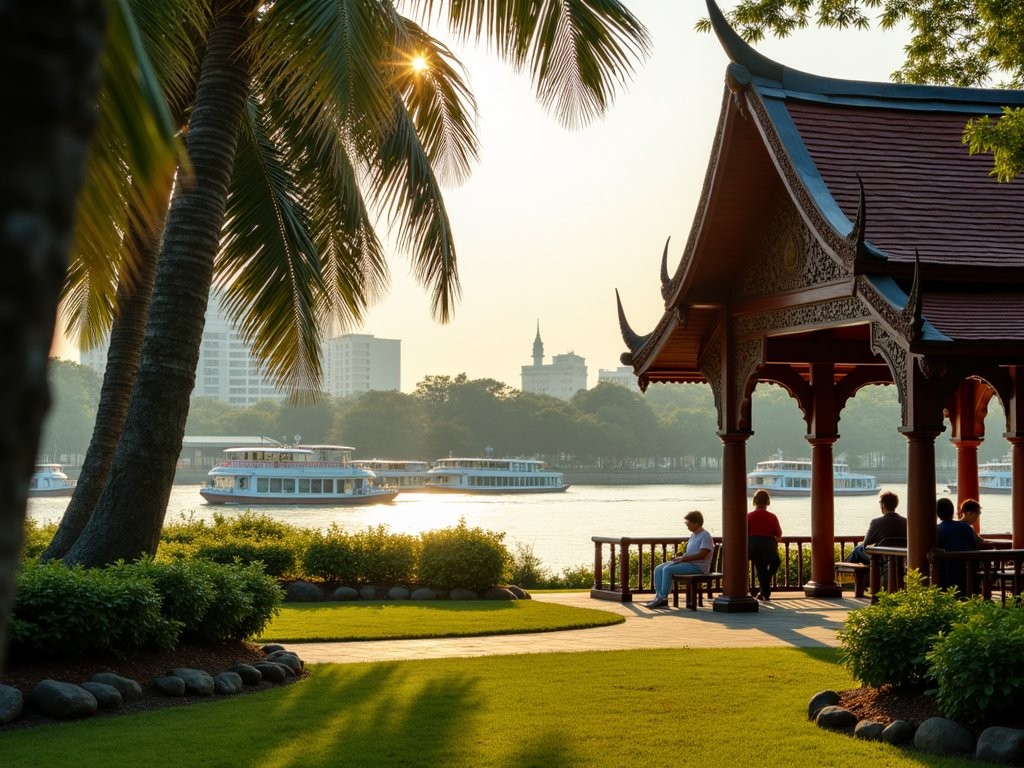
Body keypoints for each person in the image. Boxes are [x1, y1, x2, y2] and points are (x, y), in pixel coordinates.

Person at [645, 510, 714, 609]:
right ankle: (659, 597)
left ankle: (663, 598)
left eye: (688, 523)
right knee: (658, 569)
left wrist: (683, 559)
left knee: (668, 569)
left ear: (696, 523)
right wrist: (681, 557)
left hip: (698, 567)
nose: (687, 525)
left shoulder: (705, 536)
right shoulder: (694, 535)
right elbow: (692, 552)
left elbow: (702, 554)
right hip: (688, 563)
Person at [846, 490, 906, 565]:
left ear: (883, 505)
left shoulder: (876, 522)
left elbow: (866, 545)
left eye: (880, 503)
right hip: (900, 560)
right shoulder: (906, 522)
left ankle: (842, 571)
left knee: (858, 550)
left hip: (881, 560)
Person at [935, 496, 977, 595]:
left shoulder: (937, 530)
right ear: (952, 511)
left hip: (946, 572)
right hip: (967, 571)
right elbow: (974, 545)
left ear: (937, 514)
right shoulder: (965, 527)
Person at [748, 489, 782, 601]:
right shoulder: (772, 517)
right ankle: (765, 591)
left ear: (754, 501)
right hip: (768, 545)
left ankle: (763, 593)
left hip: (753, 545)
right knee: (775, 562)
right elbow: (779, 534)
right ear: (767, 502)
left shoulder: (748, 516)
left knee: (761, 568)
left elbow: (743, 533)